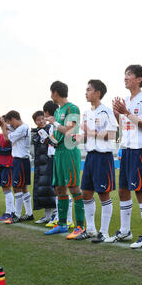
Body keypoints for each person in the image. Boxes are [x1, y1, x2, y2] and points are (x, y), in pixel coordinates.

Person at [107, 64, 142, 249]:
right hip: (126, 149)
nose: (125, 77)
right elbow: (124, 124)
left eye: (129, 74)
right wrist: (117, 113)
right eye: (125, 74)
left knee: (141, 191)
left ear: (139, 79)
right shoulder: (126, 99)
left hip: (139, 150)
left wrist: (126, 112)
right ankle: (125, 231)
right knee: (123, 190)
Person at [74, 79, 118, 243]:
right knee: (85, 193)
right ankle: (91, 229)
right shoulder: (87, 113)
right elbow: (87, 134)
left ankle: (104, 232)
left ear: (97, 93)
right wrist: (79, 137)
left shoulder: (107, 111)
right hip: (90, 156)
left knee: (103, 193)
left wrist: (90, 132)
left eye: (89, 90)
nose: (86, 92)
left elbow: (112, 134)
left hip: (103, 156)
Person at [44, 80, 85, 238]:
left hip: (69, 150)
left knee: (74, 187)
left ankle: (80, 226)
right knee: (59, 188)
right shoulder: (58, 111)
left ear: (56, 92)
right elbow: (57, 132)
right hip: (59, 151)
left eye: (51, 92)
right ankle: (62, 224)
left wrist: (55, 122)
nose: (50, 95)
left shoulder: (72, 108)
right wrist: (50, 139)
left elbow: (69, 130)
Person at [0, 110, 33, 224]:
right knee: (22, 187)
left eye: (10, 122)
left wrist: (3, 127)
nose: (10, 125)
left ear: (13, 119)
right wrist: (2, 123)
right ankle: (29, 213)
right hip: (20, 160)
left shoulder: (23, 128)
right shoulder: (20, 128)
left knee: (17, 187)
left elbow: (7, 138)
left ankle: (17, 215)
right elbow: (9, 128)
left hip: (21, 160)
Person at [32, 108, 57, 224]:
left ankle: (55, 215)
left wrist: (46, 138)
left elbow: (53, 142)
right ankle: (47, 216)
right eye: (38, 120)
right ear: (35, 122)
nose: (41, 121)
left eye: (43, 119)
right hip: (39, 166)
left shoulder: (50, 128)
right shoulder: (36, 133)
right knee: (43, 191)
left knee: (51, 190)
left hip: (49, 163)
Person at [0, 116, 15, 222]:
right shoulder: (0, 136)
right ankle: (10, 211)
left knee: (7, 187)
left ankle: (10, 212)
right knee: (4, 188)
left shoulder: (10, 135)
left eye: (5, 122)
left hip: (7, 164)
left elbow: (8, 149)